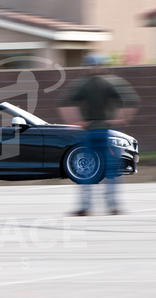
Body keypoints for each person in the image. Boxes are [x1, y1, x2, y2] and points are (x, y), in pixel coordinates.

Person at [58, 54, 140, 216]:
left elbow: (63, 104)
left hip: (89, 132)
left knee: (87, 170)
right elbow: (132, 101)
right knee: (111, 170)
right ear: (104, 66)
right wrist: (122, 119)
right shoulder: (113, 82)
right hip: (108, 131)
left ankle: (85, 206)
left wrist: (76, 122)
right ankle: (113, 205)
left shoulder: (82, 84)